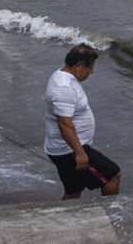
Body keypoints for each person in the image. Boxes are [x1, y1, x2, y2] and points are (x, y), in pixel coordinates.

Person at [44, 43, 120, 200]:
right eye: (90, 67)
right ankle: (111, 213)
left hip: (62, 148)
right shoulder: (64, 87)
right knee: (112, 175)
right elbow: (64, 123)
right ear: (79, 65)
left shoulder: (62, 76)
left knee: (74, 189)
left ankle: (65, 217)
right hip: (68, 150)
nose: (91, 72)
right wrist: (80, 153)